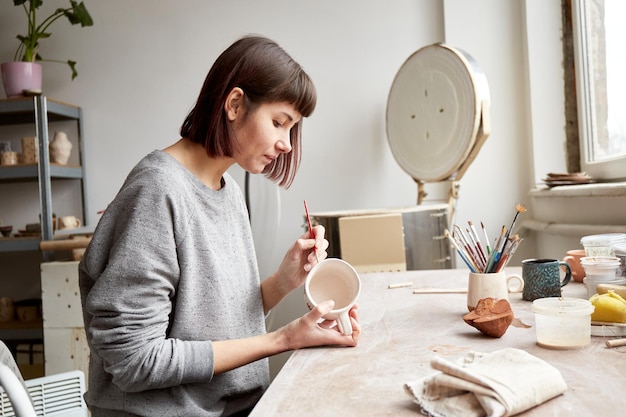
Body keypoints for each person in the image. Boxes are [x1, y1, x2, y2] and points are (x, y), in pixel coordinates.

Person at [78, 35, 360, 417]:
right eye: (279, 123)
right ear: (234, 104)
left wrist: (282, 282)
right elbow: (135, 360)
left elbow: (211, 323)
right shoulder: (157, 192)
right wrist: (282, 339)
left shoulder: (225, 190)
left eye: (291, 129)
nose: (287, 144)